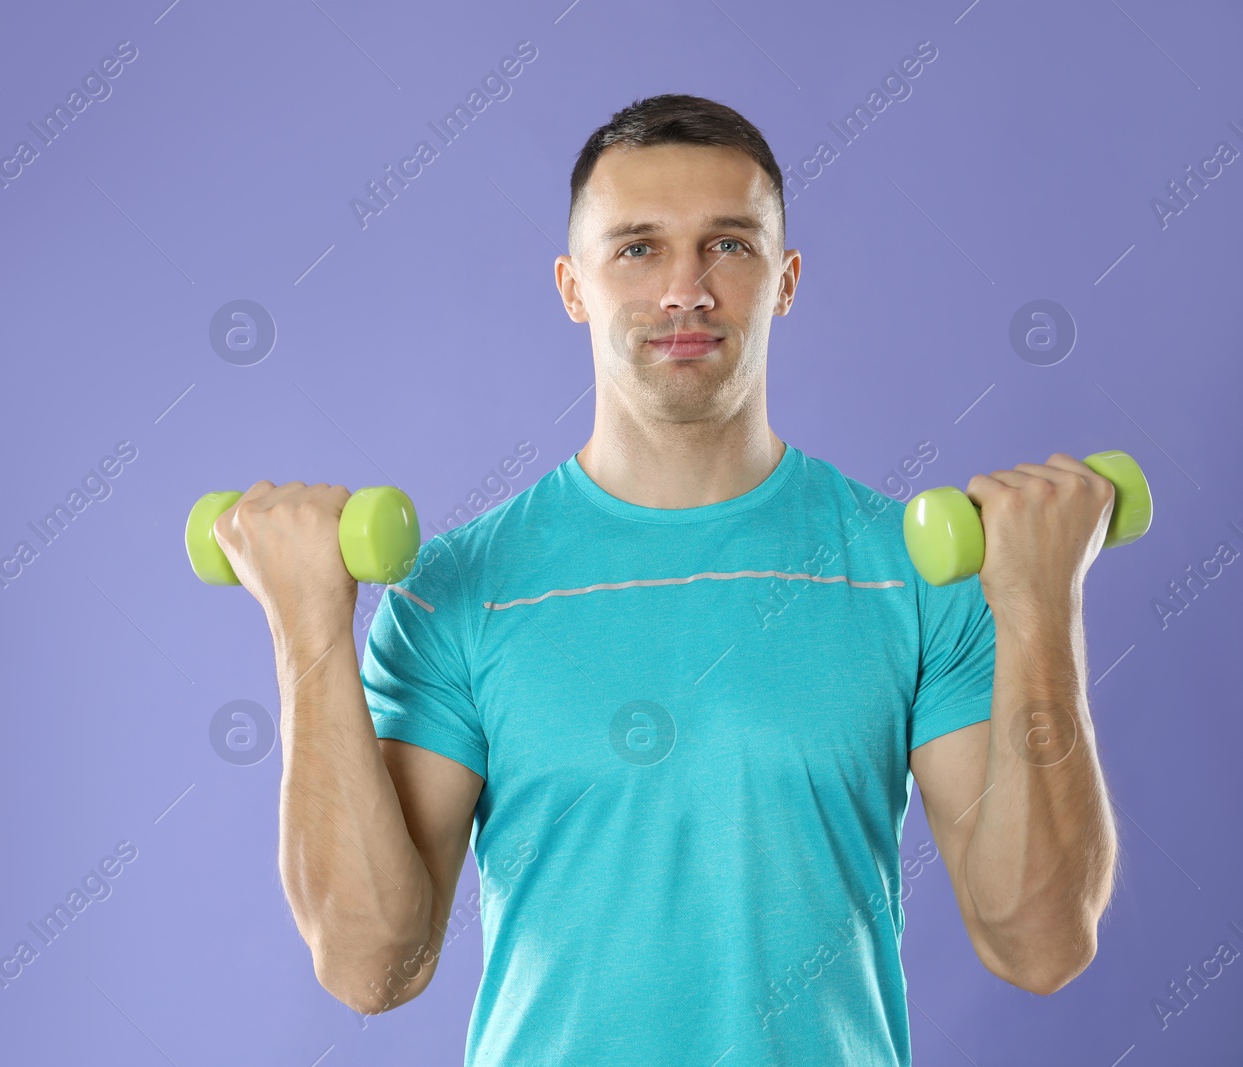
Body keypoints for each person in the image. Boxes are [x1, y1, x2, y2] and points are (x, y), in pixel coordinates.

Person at [213, 94, 1121, 1065]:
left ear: (785, 279)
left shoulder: (909, 574)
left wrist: (1039, 605)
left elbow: (1038, 941)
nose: (685, 289)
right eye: (637, 248)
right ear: (573, 285)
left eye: (728, 245)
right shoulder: (455, 593)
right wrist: (308, 624)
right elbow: (371, 966)